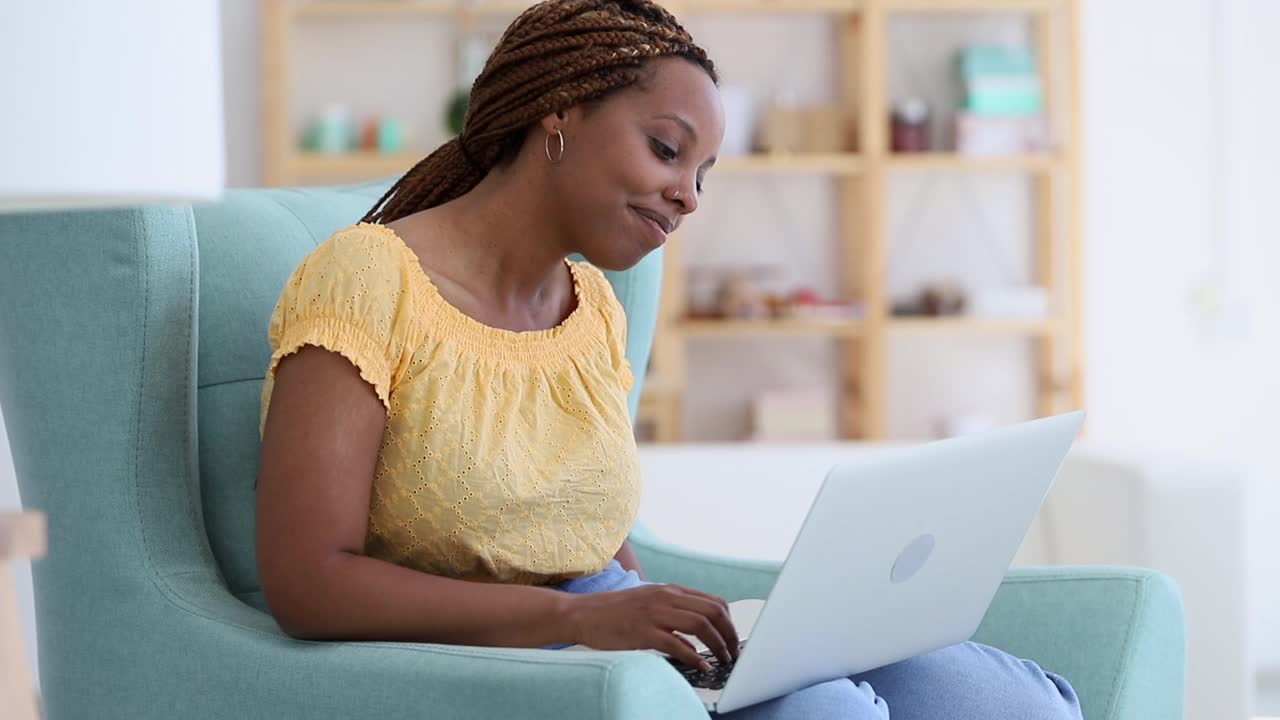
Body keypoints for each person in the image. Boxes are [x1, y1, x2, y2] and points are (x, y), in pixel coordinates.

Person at [255, 1, 1082, 717]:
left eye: (703, 171)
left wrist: (686, 641)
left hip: (605, 641)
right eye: (666, 149)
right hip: (492, 657)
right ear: (559, 114)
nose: (690, 195)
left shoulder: (594, 308)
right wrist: (578, 623)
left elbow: (596, 536)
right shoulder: (366, 278)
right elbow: (307, 583)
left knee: (1011, 704)